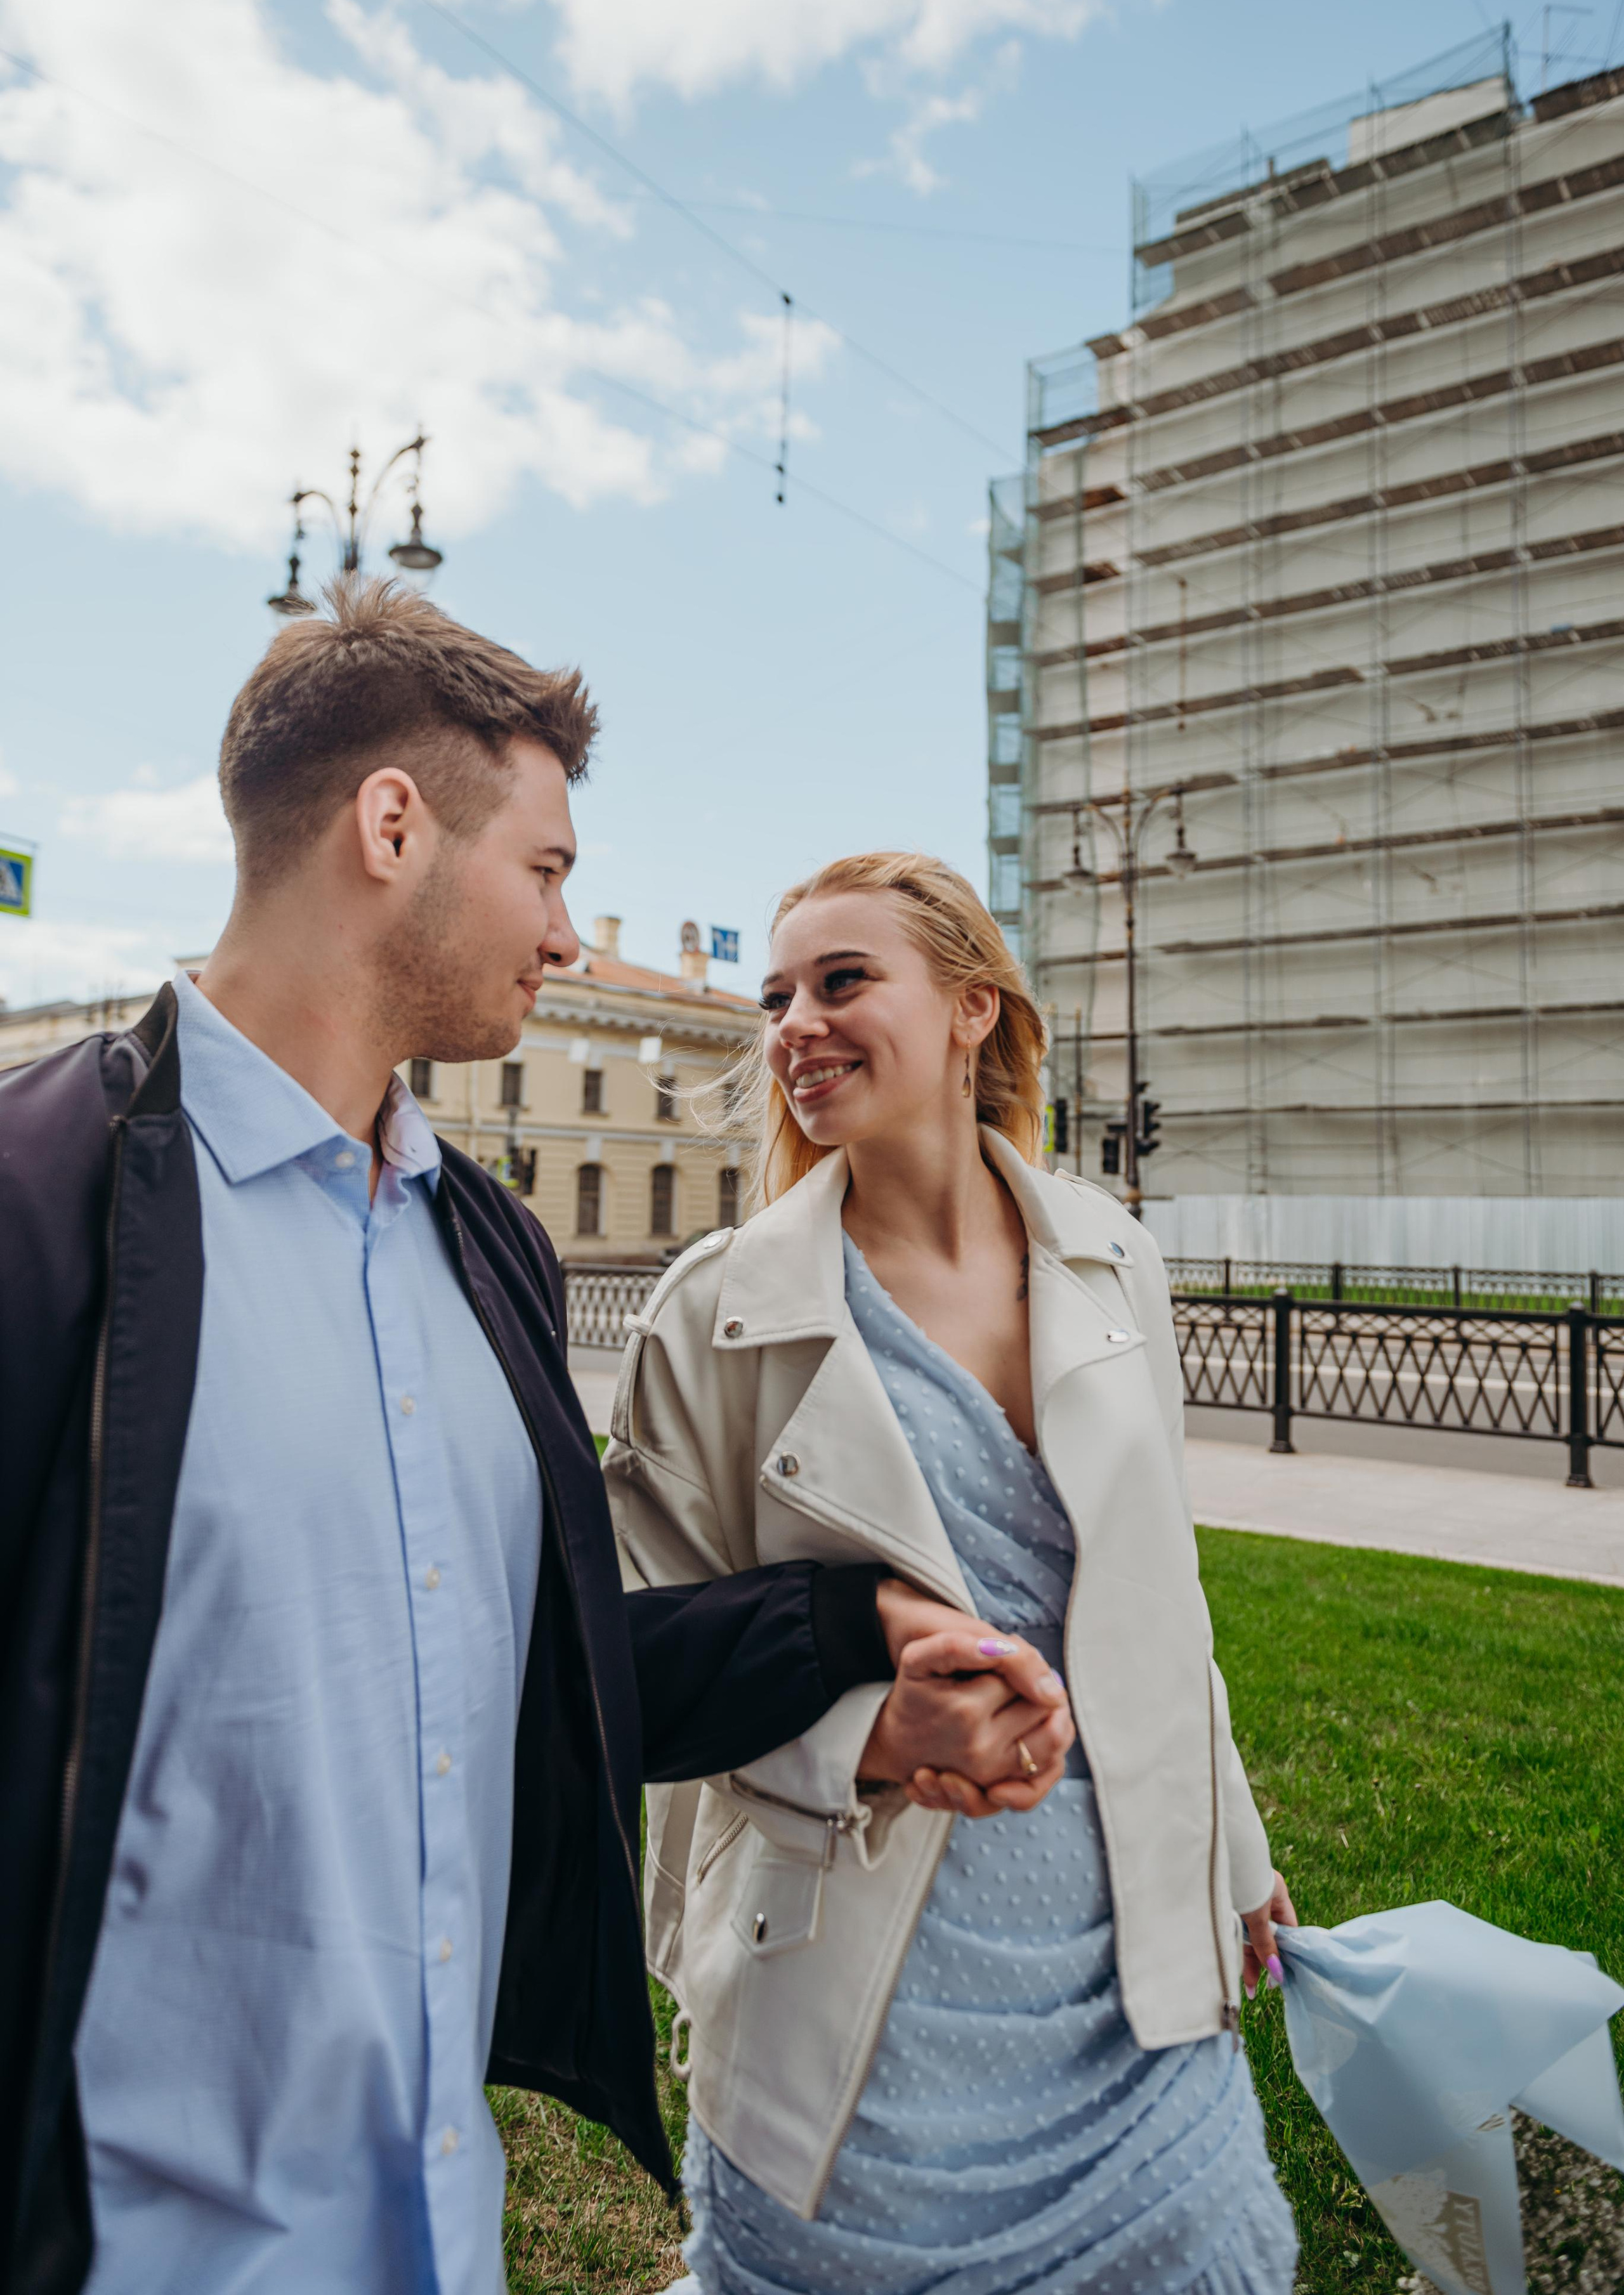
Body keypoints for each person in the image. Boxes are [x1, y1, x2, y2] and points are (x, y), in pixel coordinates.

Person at [0, 591, 1068, 2295]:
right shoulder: (38, 1201)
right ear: (393, 825)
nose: (568, 937)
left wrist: (840, 1633)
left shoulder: (482, 1242)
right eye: (550, 869)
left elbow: (530, 1662)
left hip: (433, 2232)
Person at [606, 850, 1301, 2295]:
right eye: (776, 995)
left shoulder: (1113, 1259)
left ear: (973, 1010)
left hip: (1125, 1971)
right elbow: (641, 1659)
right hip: (861, 1999)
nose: (795, 1022)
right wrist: (868, 1737)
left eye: (842, 981)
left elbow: (1159, 1603)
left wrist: (1231, 1856)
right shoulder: (714, 1310)